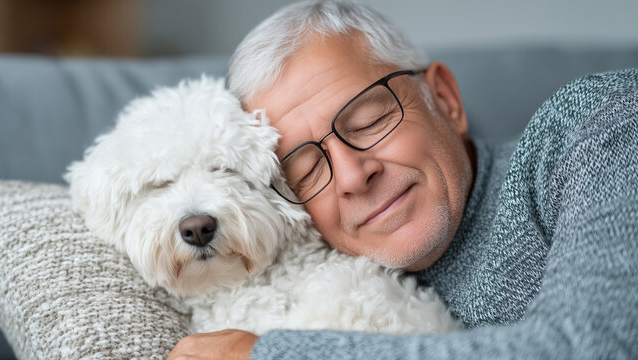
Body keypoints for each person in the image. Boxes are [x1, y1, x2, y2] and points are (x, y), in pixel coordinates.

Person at [168, 1, 638, 359]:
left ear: (445, 99)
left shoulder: (597, 125)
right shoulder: (328, 283)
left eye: (370, 119)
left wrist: (270, 353)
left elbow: (590, 346)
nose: (352, 175)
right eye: (305, 169)